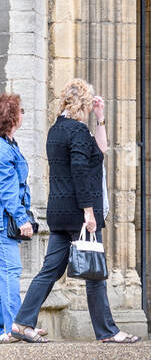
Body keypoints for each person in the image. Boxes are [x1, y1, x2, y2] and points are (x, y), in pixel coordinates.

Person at [11, 78, 140, 344]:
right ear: (82, 103)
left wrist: (100, 118)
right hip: (79, 213)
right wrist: (89, 213)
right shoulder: (78, 132)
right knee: (95, 274)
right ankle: (108, 332)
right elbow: (80, 172)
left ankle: (22, 323)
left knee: (50, 270)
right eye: (90, 103)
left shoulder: (57, 130)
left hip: (59, 212)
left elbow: (100, 150)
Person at [0, 94, 44, 342]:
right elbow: (7, 191)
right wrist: (22, 219)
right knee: (10, 271)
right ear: (12, 117)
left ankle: (7, 328)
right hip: (4, 223)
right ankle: (14, 328)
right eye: (21, 110)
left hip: (4, 221)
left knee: (4, 273)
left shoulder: (9, 144)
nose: (24, 114)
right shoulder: (3, 149)